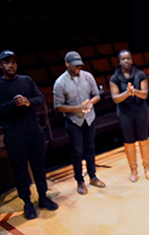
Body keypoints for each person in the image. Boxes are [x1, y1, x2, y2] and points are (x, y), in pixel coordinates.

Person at [0, 50, 58, 220]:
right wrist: (13, 104)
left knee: (39, 166)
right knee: (20, 171)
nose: (11, 65)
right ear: (1, 65)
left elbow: (41, 100)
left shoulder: (26, 80)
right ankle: (27, 202)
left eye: (14, 62)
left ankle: (43, 197)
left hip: (33, 130)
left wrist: (28, 102)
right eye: (7, 62)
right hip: (13, 134)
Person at [53, 51, 106, 195]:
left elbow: (97, 95)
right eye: (75, 66)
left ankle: (93, 176)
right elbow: (58, 106)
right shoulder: (60, 82)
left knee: (90, 148)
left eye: (79, 66)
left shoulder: (88, 76)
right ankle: (80, 181)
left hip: (89, 117)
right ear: (67, 63)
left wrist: (90, 103)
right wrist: (78, 107)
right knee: (77, 151)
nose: (78, 68)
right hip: (73, 120)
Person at [109, 49, 149, 182]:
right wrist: (127, 93)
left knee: (144, 139)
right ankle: (134, 170)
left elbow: (144, 94)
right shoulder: (114, 78)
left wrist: (134, 91)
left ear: (132, 60)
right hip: (124, 113)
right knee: (129, 142)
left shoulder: (140, 74)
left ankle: (147, 168)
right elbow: (115, 98)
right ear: (119, 62)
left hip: (140, 111)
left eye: (128, 58)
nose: (126, 61)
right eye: (123, 59)